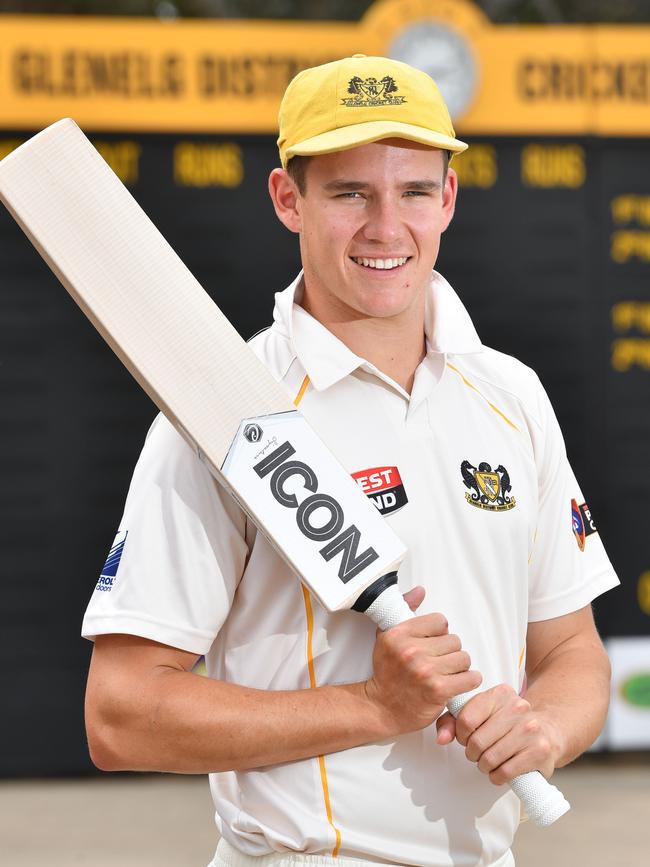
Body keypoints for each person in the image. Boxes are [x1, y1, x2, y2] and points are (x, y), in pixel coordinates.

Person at [82, 55, 618, 867]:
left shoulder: (512, 394)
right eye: (349, 193)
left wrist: (543, 726)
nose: (385, 227)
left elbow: (572, 652)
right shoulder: (221, 411)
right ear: (286, 199)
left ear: (448, 199)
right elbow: (119, 716)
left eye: (411, 191)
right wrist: (373, 705)